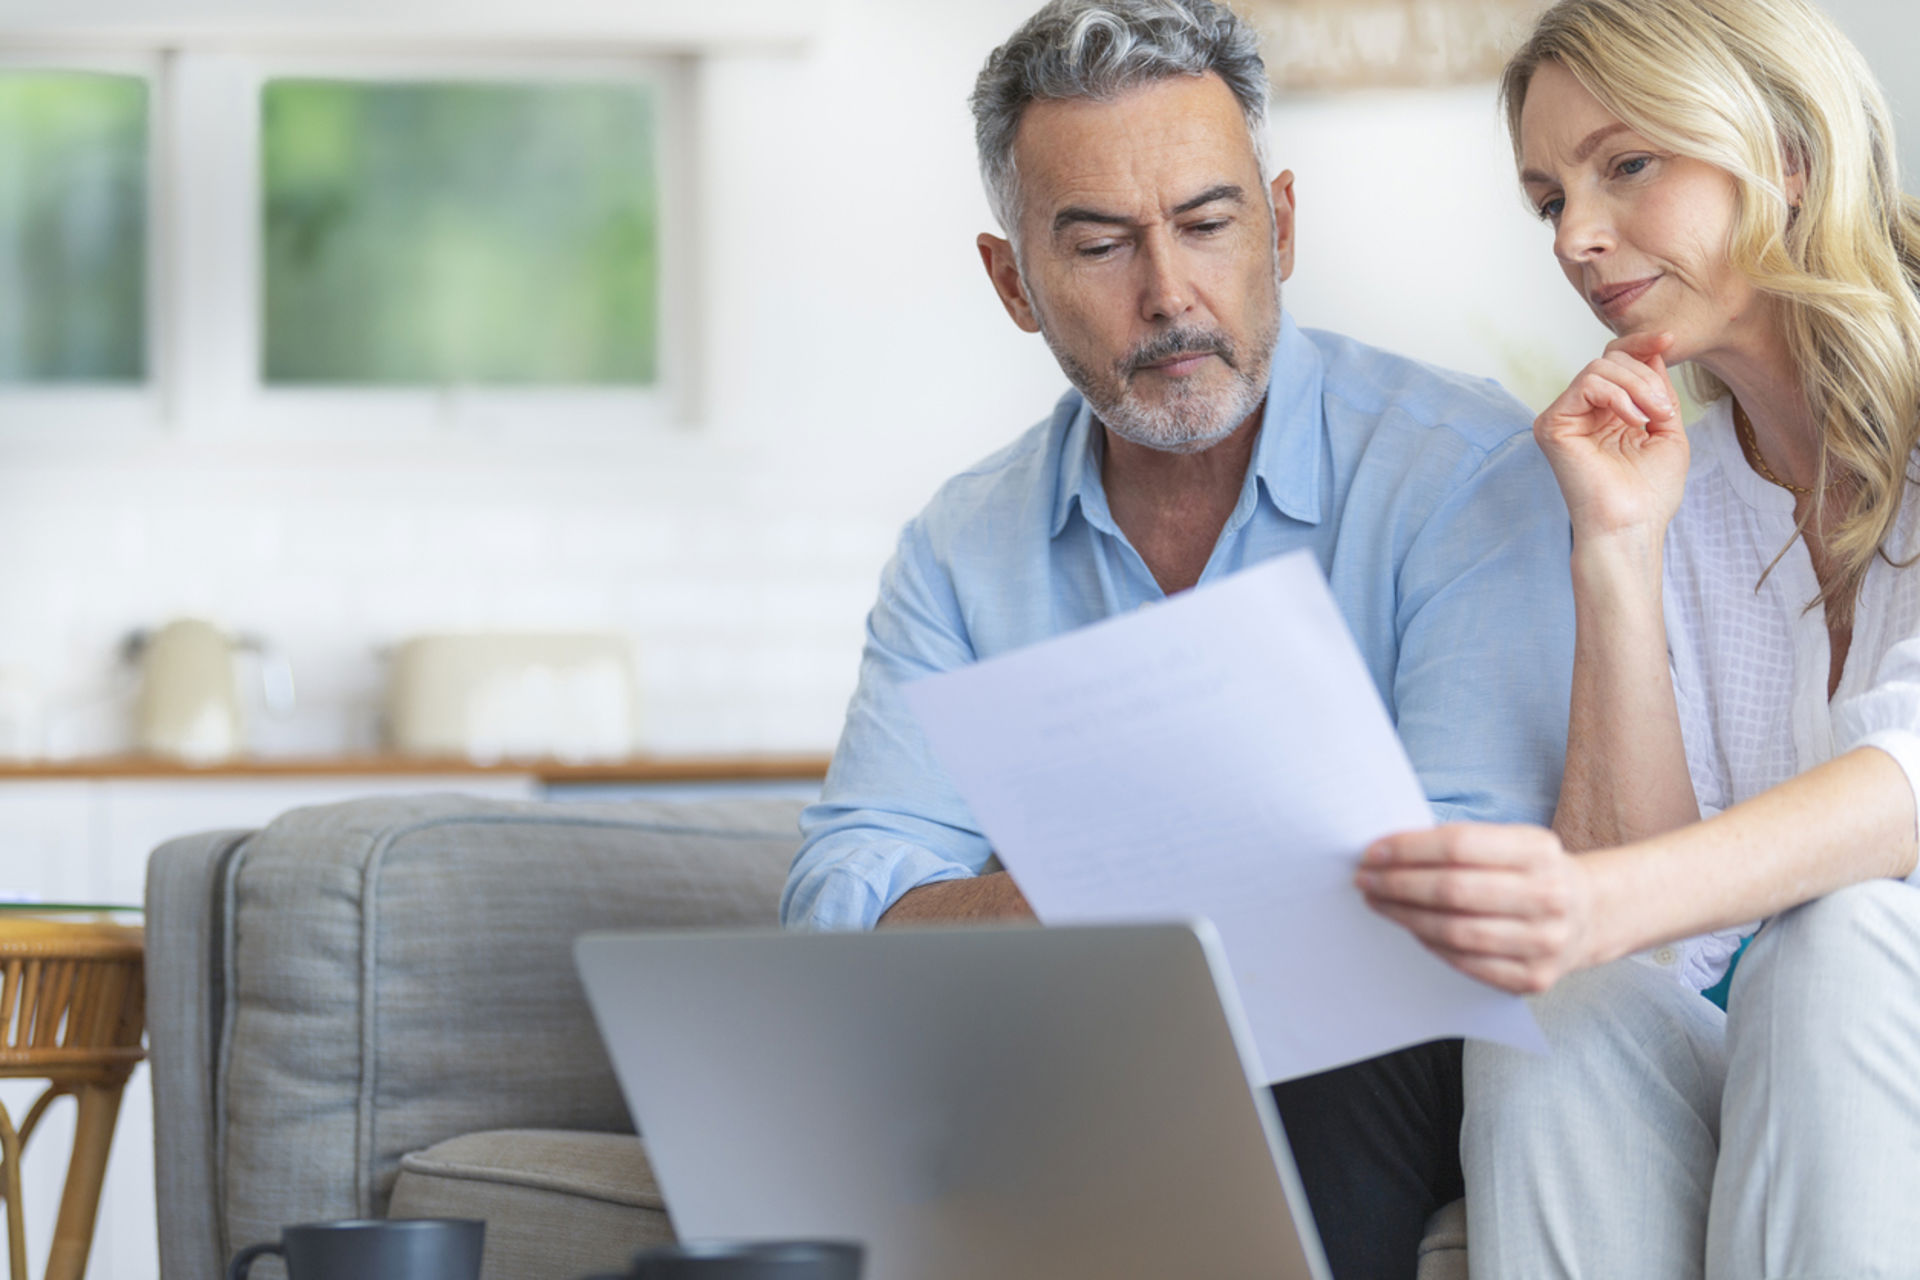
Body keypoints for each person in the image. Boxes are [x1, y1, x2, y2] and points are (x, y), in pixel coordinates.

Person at [779, 1, 1577, 1273]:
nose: (1171, 294)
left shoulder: (1463, 471)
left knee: (1310, 1059)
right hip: (1074, 1040)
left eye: (1209, 225)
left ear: (1283, 226)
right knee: (875, 1106)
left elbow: (1468, 878)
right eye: (1098, 246)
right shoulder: (961, 545)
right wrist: (1097, 903)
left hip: (1377, 1050)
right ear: (1013, 283)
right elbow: (844, 900)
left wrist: (1111, 906)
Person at [1354, 0, 1920, 1274]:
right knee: (1562, 1005)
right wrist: (1615, 547)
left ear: (1784, 153)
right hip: (1805, 1062)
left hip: (1876, 1027)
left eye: (1627, 165)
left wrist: (1580, 894)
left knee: (1835, 939)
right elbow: (1655, 945)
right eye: (1548, 197)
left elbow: (1909, 789)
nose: (1578, 237)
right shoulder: (1683, 480)